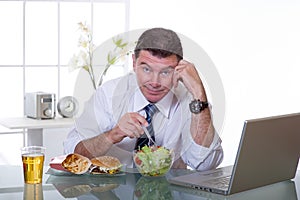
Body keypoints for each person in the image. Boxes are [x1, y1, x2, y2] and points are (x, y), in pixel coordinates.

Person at [64, 27, 223, 170]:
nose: (154, 82)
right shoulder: (109, 94)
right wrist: (112, 134)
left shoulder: (193, 102)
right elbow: (73, 154)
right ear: (134, 63)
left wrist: (199, 92)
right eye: (146, 69)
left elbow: (206, 164)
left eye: (165, 72)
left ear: (179, 69)